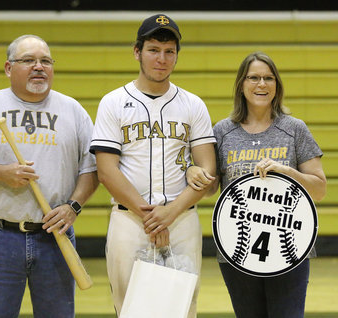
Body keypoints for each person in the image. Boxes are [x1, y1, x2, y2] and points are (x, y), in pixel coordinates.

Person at [0, 34, 98, 318]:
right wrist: (2, 173)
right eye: (28, 60)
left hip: (56, 237)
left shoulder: (73, 110)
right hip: (0, 238)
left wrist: (73, 206)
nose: (39, 67)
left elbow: (91, 169)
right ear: (8, 68)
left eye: (45, 61)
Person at [89, 14, 216, 317]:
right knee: (131, 308)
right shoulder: (113, 102)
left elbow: (208, 173)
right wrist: (150, 217)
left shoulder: (193, 104)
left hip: (181, 220)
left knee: (183, 308)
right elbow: (106, 171)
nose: (162, 58)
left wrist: (168, 214)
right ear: (137, 52)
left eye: (169, 51)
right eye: (153, 49)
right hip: (130, 221)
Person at [187, 51, 327, 318]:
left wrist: (287, 171)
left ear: (277, 85)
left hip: (289, 247)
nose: (261, 84)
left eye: (268, 78)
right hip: (237, 248)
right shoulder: (222, 131)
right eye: (253, 78)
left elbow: (320, 189)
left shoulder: (295, 129)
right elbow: (210, 188)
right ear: (242, 84)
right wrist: (193, 171)